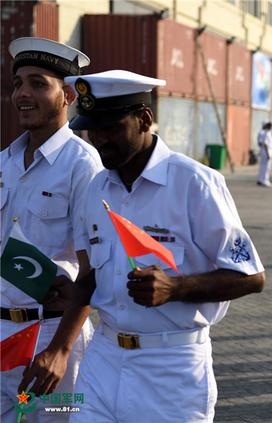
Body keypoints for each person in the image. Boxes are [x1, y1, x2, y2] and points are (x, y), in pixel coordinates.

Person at [18, 70, 266, 421]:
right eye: (92, 128)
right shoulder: (96, 189)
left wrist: (176, 288)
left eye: (111, 128)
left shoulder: (195, 184)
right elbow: (91, 273)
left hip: (171, 367)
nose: (100, 139)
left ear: (144, 119)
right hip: (102, 359)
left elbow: (252, 277)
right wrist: (76, 293)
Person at [1, 37, 100, 423]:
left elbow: (94, 269)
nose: (23, 94)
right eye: (17, 84)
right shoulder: (5, 161)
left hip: (51, 338)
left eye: (38, 83)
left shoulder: (83, 166)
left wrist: (60, 349)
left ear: (69, 95)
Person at [257, 121, 272, 187]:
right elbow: (265, 144)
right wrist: (268, 154)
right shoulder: (267, 133)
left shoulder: (266, 133)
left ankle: (261, 179)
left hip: (265, 152)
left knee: (263, 167)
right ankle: (265, 180)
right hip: (267, 152)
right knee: (266, 168)